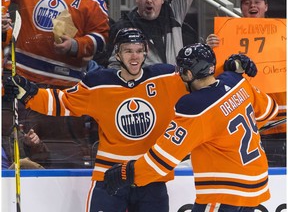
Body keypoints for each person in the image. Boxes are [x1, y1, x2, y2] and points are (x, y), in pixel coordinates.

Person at [4, 27, 189, 212]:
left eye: (139, 51)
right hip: (110, 177)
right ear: (117, 54)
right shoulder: (98, 84)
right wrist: (30, 94)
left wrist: (211, 63)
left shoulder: (165, 78)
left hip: (151, 177)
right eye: (128, 51)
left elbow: (203, 85)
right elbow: (64, 103)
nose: (135, 57)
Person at [103, 43, 279, 211]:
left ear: (188, 73)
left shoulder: (194, 107)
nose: (179, 75)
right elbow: (269, 111)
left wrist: (128, 173)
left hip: (224, 191)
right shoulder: (236, 81)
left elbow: (162, 160)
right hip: (256, 185)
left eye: (181, 71)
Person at [2, 0, 110, 168]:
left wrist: (75, 45)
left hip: (64, 89)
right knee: (14, 146)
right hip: (21, 79)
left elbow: (101, 37)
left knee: (64, 157)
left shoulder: (92, 0)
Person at [206, 0, 286, 166]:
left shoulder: (283, 33)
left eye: (257, 1)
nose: (252, 5)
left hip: (278, 124)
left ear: (266, 6)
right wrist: (209, 51)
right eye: (247, 2)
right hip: (241, 125)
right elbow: (212, 78)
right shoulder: (224, 35)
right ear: (241, 8)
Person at [107, 0, 196, 69]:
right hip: (144, 88)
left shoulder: (173, 12)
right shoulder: (123, 27)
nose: (149, 0)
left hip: (176, 86)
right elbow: (114, 67)